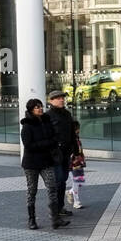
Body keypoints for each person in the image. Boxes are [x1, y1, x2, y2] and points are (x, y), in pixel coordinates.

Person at [20, 98, 69, 230]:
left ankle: (55, 218)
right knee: (32, 190)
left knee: (52, 188)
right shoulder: (27, 126)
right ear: (31, 110)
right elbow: (29, 145)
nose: (40, 109)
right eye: (37, 107)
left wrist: (50, 142)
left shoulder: (47, 122)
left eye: (41, 106)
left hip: (47, 161)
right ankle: (31, 219)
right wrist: (48, 143)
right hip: (31, 164)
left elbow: (55, 137)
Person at [45, 88, 79, 218]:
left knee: (63, 180)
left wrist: (75, 150)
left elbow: (72, 133)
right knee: (58, 181)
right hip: (55, 154)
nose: (62, 100)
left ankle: (60, 207)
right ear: (51, 101)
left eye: (62, 98)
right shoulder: (48, 116)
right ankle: (54, 209)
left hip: (66, 153)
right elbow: (47, 135)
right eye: (58, 98)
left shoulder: (67, 114)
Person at [66, 123, 86, 210]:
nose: (78, 130)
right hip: (72, 164)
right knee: (76, 182)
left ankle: (70, 192)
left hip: (79, 163)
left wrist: (82, 160)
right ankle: (76, 202)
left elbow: (80, 151)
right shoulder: (70, 139)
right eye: (77, 129)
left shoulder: (77, 138)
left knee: (80, 182)